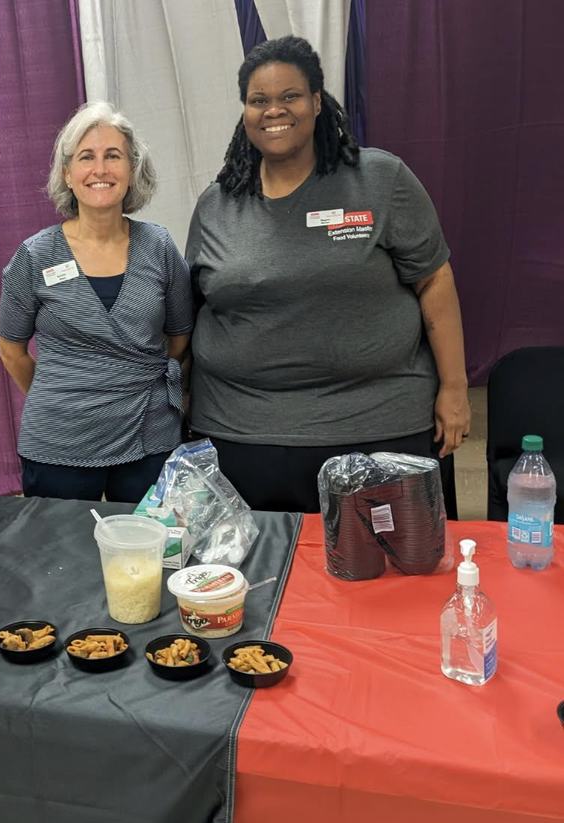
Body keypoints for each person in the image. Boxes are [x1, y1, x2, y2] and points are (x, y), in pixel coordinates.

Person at [186, 36, 471, 513]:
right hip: (242, 434)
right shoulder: (216, 205)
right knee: (259, 580)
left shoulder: (381, 180)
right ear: (245, 112)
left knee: (394, 580)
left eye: (290, 96)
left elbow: (434, 281)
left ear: (317, 102)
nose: (274, 110)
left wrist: (455, 389)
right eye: (259, 100)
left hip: (380, 427)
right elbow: (197, 306)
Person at [0, 101, 193, 502]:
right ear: (68, 174)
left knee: (151, 557)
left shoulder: (159, 247)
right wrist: (65, 393)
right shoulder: (34, 256)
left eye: (113, 156)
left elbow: (180, 339)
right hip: (57, 442)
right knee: (60, 560)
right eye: (87, 157)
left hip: (148, 435)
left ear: (131, 170)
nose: (100, 170)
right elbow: (11, 350)